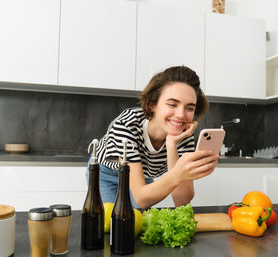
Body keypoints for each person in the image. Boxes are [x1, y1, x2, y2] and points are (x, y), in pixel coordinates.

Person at [86, 66, 220, 209]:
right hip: (106, 173)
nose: (181, 115)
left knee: (140, 219)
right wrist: (178, 174)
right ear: (152, 105)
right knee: (114, 221)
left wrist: (171, 145)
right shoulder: (127, 125)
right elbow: (141, 198)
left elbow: (182, 201)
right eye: (172, 104)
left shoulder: (183, 134)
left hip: (142, 173)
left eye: (189, 108)